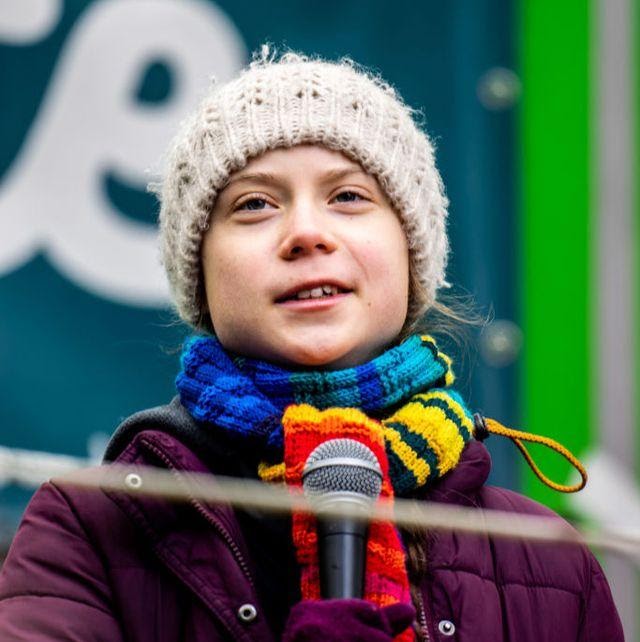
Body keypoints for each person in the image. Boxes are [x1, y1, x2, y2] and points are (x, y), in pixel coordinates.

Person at [0, 49, 624, 642]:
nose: (305, 233)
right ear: (201, 275)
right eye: (255, 204)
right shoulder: (89, 527)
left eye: (348, 196)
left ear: (412, 256)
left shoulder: (548, 561)